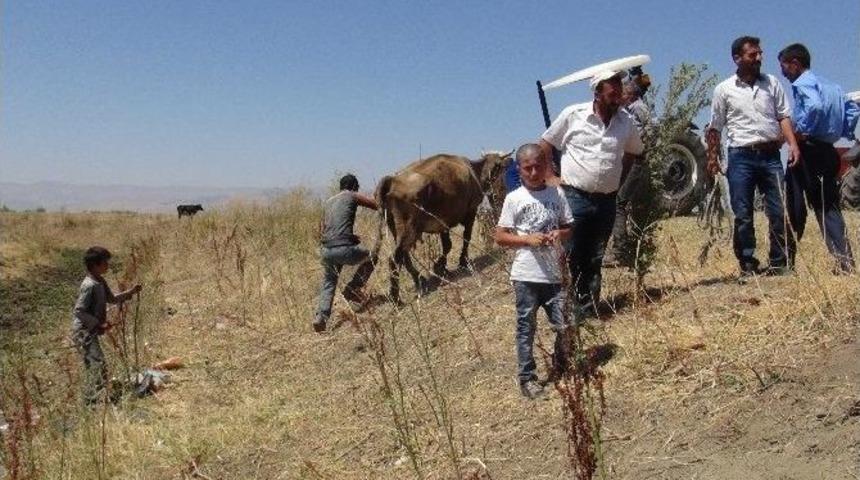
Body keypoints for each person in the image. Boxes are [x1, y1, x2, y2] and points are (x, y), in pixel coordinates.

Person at [539, 68, 644, 317]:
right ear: (597, 92)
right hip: (574, 197)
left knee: (595, 256)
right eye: (612, 90)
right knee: (571, 253)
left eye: (620, 89)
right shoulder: (573, 115)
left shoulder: (625, 122)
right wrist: (549, 177)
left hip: (606, 201)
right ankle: (566, 308)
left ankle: (589, 308)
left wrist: (619, 178)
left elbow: (634, 151)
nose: (618, 94)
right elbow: (544, 144)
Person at [707, 35, 801, 281]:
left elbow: (784, 117)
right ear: (737, 58)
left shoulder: (772, 83)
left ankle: (779, 262)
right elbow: (715, 127)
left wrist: (792, 144)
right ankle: (747, 263)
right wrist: (712, 158)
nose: (759, 58)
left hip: (770, 155)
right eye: (753, 55)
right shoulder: (724, 89)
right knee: (743, 214)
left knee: (779, 210)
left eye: (760, 54)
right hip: (740, 157)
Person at [495, 144, 573, 399]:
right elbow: (500, 237)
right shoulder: (514, 198)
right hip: (526, 276)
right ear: (519, 169)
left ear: (547, 166)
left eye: (539, 166)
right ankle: (527, 378)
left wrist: (558, 234)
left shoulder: (556, 194)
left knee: (564, 323)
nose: (534, 172)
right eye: (527, 168)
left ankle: (563, 364)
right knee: (526, 328)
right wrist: (527, 240)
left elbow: (568, 227)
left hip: (554, 275)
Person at [778, 43, 856, 273]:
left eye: (784, 67)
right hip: (828, 150)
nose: (783, 73)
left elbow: (814, 106)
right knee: (828, 206)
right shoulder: (833, 87)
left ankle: (785, 261)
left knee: (795, 206)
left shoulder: (803, 84)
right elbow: (852, 110)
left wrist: (801, 132)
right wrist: (845, 131)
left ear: (795, 64)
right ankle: (845, 261)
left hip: (808, 150)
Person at [72, 246, 141, 405]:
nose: (107, 265)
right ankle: (91, 401)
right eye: (105, 262)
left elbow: (111, 299)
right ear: (96, 265)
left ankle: (94, 398)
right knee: (98, 364)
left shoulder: (100, 281)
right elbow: (79, 311)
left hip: (89, 330)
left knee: (95, 364)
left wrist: (130, 292)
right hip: (83, 331)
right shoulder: (89, 285)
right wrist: (98, 324)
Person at [313, 174, 378, 333]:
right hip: (343, 248)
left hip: (326, 250)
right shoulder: (352, 195)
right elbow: (376, 205)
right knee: (372, 257)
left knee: (329, 281)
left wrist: (350, 237)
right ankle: (353, 289)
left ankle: (320, 317)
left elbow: (323, 230)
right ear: (354, 186)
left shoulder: (328, 202)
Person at [605, 70, 652, 266]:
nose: (620, 96)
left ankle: (620, 252)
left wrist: (642, 147)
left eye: (623, 93)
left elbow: (651, 128)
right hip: (631, 159)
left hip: (637, 160)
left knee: (619, 204)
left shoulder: (638, 109)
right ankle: (633, 248)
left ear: (630, 94)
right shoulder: (625, 112)